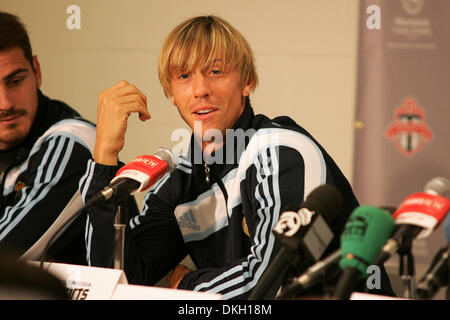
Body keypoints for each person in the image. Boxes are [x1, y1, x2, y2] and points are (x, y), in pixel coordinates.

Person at [81, 15, 394, 299]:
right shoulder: (180, 177)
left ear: (248, 82)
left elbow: (274, 283)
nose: (200, 89)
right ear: (170, 91)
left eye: (216, 71)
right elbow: (117, 280)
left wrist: (185, 286)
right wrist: (105, 158)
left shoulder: (280, 150)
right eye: (185, 76)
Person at [0, 12, 96, 265]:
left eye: (16, 81)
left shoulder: (73, 141)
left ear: (37, 71)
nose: (5, 103)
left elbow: (8, 252)